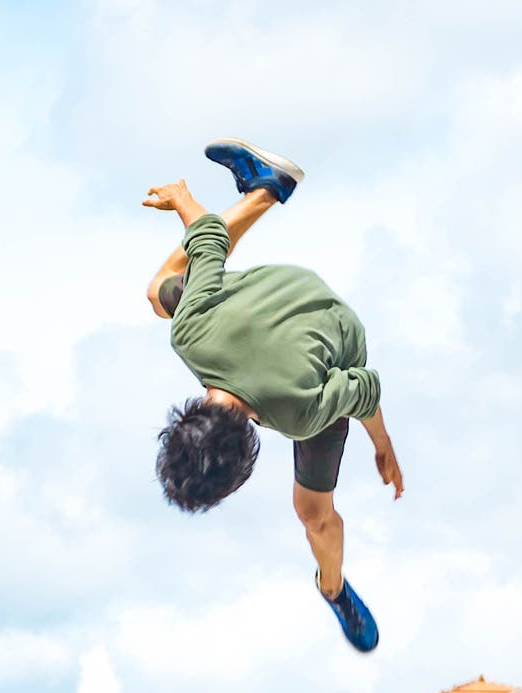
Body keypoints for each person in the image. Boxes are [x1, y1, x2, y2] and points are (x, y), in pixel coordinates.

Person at [142, 139, 403, 653]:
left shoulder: (301, 413)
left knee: (313, 513)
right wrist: (182, 201)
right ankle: (267, 188)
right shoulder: (191, 335)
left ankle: (332, 586)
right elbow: (209, 240)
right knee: (159, 293)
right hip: (278, 289)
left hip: (336, 327)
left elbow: (363, 383)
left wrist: (382, 445)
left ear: (248, 461)